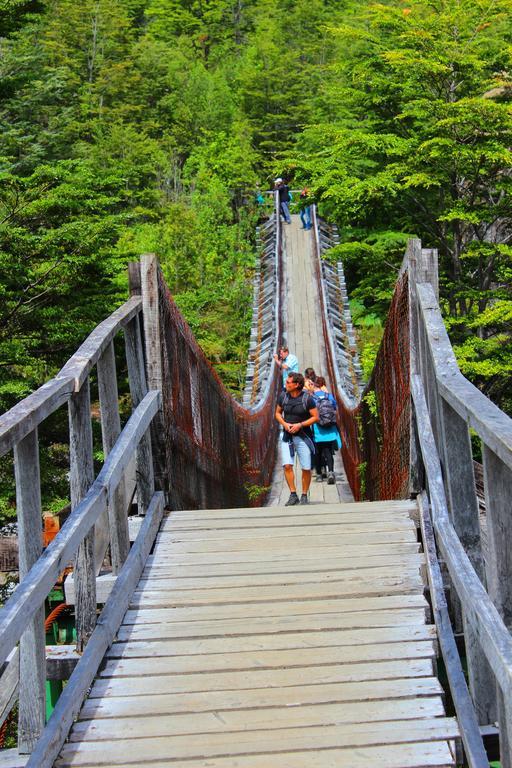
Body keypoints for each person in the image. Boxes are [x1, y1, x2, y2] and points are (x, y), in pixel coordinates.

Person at [275, 373, 319, 505]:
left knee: (306, 467)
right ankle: (293, 494)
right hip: (287, 436)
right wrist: (285, 424)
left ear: (297, 385)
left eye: (288, 382)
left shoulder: (307, 399)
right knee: (287, 466)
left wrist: (300, 425)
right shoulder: (283, 396)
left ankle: (304, 495)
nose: (286, 384)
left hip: (303, 436)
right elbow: (277, 413)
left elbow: (315, 417)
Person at [312, 376, 341, 484]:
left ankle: (319, 475)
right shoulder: (329, 396)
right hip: (329, 427)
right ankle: (331, 473)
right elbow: (334, 408)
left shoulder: (312, 398)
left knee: (318, 452)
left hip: (317, 428)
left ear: (314, 385)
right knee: (328, 451)